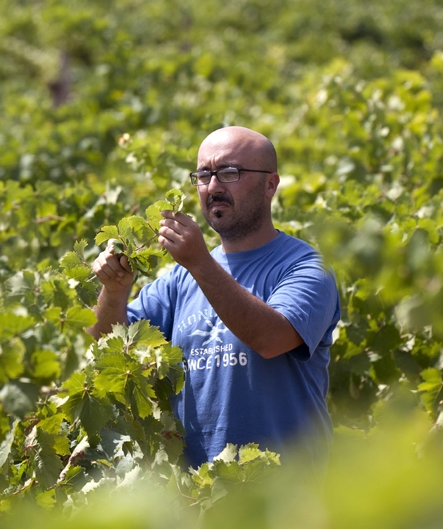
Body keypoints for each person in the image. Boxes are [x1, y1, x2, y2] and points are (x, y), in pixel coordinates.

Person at [89, 127, 340, 467]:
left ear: (271, 185)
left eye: (229, 173)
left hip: (290, 497)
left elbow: (270, 338)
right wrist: (114, 291)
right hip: (199, 501)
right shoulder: (179, 279)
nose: (214, 186)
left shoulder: (306, 267)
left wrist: (199, 262)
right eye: (204, 175)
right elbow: (110, 345)